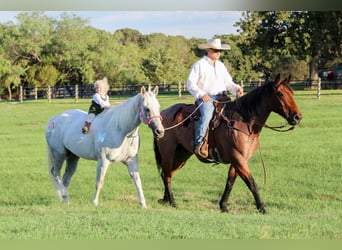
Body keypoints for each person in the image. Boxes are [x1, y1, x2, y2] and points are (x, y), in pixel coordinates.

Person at [186, 38, 244, 158]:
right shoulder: (199, 65)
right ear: (209, 50)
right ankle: (200, 143)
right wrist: (201, 94)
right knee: (206, 115)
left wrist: (236, 88)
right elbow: (190, 83)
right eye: (216, 50)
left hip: (222, 97)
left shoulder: (221, 66)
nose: (219, 53)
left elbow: (228, 83)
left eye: (220, 51)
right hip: (207, 98)